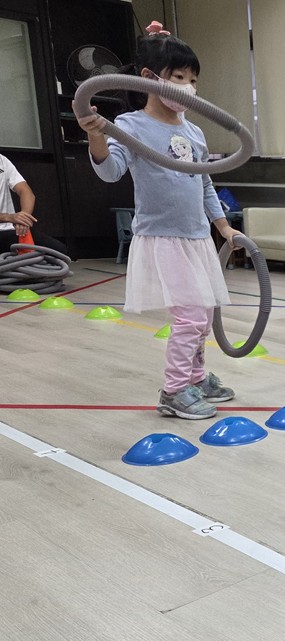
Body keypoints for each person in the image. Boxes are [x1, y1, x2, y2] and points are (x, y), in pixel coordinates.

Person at [75, 21, 241, 420]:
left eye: (193, 79)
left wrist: (222, 227)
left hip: (197, 237)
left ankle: (196, 377)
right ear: (151, 79)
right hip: (163, 237)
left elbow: (203, 183)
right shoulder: (130, 125)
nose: (188, 87)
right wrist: (95, 134)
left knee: (203, 316)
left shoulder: (194, 131)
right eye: (178, 78)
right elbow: (110, 171)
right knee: (190, 316)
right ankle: (174, 389)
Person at [0, 153, 67, 255]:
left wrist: (23, 219)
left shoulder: (2, 160)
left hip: (9, 231)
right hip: (7, 223)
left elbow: (26, 192)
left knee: (59, 251)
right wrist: (8, 217)